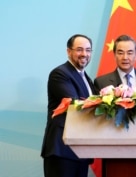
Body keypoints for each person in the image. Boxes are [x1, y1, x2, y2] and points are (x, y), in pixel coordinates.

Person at [94, 34, 136, 177]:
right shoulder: (101, 82)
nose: (125, 57)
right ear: (114, 55)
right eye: (120, 52)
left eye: (130, 52)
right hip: (112, 150)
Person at [41, 34, 97, 177]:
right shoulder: (60, 74)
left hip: (81, 150)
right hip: (62, 150)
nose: (84, 54)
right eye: (79, 49)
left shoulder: (86, 78)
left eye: (88, 50)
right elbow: (75, 104)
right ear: (68, 51)